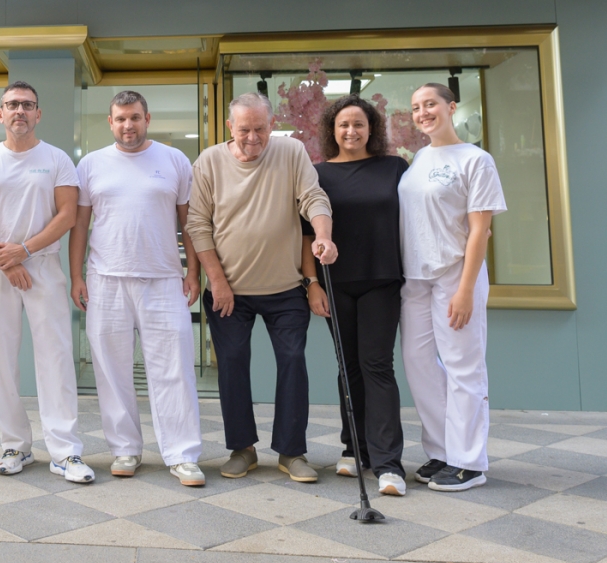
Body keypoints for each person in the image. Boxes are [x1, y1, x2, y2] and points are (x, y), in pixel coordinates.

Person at [187, 92, 336, 484]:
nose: (252, 138)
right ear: (229, 128)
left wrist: (324, 236)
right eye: (244, 130)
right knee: (232, 365)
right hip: (228, 289)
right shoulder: (209, 162)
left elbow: (313, 197)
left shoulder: (290, 152)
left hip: (286, 288)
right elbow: (198, 225)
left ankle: (292, 451)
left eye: (260, 129)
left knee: (292, 361)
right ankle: (242, 449)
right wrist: (217, 282)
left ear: (272, 124)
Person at [70, 91, 205, 487]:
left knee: (175, 369)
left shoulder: (174, 160)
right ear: (110, 123)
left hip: (164, 280)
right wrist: (77, 275)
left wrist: (192, 271)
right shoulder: (91, 164)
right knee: (112, 371)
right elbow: (80, 224)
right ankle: (125, 448)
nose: (128, 125)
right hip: (105, 280)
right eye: (120, 119)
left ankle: (182, 454)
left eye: (134, 117)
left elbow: (189, 223)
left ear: (147, 118)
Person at [0, 80, 94, 484]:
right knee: (0, 356)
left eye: (27, 105)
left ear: (38, 114)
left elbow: (67, 214)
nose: (20, 110)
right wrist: (7, 259)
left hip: (43, 267)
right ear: (0, 114)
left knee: (54, 355)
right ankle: (15, 445)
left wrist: (25, 251)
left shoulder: (56, 159)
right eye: (12, 104)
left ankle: (65, 452)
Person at [399, 82, 506, 492]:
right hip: (416, 277)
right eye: (416, 107)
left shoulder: (476, 160)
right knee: (419, 363)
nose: (423, 112)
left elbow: (480, 230)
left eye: (431, 104)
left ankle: (469, 461)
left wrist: (464, 289)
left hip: (455, 274)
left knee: (464, 368)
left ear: (451, 107)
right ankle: (442, 450)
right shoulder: (419, 158)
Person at [301, 96, 408, 497]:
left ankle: (387, 464)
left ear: (371, 129)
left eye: (359, 124)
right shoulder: (317, 174)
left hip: (382, 281)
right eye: (343, 125)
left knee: (377, 365)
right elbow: (307, 235)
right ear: (332, 129)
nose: (351, 131)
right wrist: (311, 284)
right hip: (335, 284)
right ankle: (354, 447)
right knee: (348, 367)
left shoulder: (395, 168)